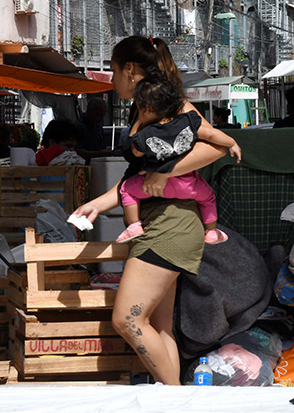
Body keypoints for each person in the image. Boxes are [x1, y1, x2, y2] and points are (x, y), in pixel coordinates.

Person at [71, 35, 230, 385]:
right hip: (161, 219)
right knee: (160, 327)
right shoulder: (143, 106)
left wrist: (165, 171)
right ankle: (174, 412)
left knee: (127, 320)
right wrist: (96, 205)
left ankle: (173, 396)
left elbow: (218, 146)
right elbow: (135, 179)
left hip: (170, 223)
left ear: (129, 70)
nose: (111, 81)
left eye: (113, 72)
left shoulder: (165, 101)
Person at [116, 70, 241, 245]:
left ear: (148, 108)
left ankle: (134, 226)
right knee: (209, 197)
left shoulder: (146, 134)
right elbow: (211, 135)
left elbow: (135, 152)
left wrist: (138, 126)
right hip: (189, 184)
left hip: (152, 185)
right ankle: (212, 231)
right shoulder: (188, 122)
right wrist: (232, 143)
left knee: (126, 189)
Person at [74, 97, 115, 162]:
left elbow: (102, 147)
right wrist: (100, 153)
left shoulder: (98, 126)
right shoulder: (78, 127)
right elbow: (78, 152)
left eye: (103, 115)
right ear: (90, 111)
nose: (101, 119)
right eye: (99, 115)